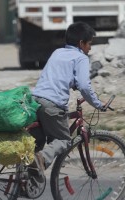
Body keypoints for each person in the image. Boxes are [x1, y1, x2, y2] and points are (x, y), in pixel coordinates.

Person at [30, 22, 105, 180]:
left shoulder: (57, 52)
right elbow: (85, 85)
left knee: (40, 139)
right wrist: (98, 104)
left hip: (35, 100)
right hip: (52, 104)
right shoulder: (80, 58)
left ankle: (28, 178)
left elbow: (59, 75)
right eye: (89, 44)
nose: (90, 48)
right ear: (81, 43)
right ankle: (40, 160)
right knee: (63, 141)